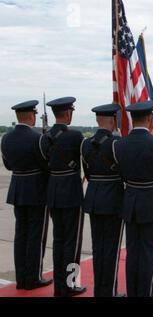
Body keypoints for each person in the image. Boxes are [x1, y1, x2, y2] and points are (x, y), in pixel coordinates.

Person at [112, 101, 153, 297]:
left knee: (133, 253)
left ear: (132, 119)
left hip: (130, 203)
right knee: (148, 254)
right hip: (152, 204)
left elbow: (121, 175)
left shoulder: (120, 144)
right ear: (149, 119)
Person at [0, 100, 52, 291]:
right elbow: (46, 164)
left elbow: (8, 165)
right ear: (31, 115)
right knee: (36, 235)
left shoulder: (6, 138)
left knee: (20, 234)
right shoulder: (38, 138)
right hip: (36, 189)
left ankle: (21, 277)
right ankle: (33, 277)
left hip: (17, 189)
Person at [39, 97, 86, 297]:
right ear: (68, 113)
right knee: (72, 242)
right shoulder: (76, 136)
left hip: (53, 192)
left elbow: (44, 164)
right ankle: (69, 284)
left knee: (58, 240)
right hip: (72, 193)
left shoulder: (44, 138)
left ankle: (59, 286)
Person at [81, 104, 124, 297]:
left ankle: (100, 290)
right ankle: (109, 292)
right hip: (113, 199)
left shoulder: (85, 144)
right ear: (113, 120)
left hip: (93, 198)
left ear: (98, 120)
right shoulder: (116, 144)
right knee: (111, 249)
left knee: (98, 247)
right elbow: (124, 173)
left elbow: (88, 173)